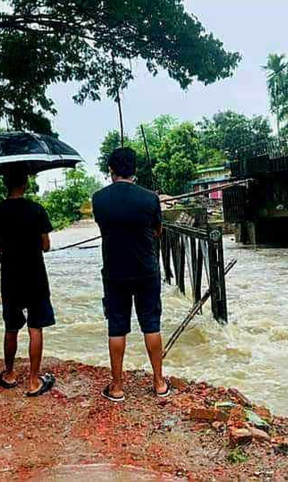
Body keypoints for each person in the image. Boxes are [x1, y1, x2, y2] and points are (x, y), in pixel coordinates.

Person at [92, 147, 170, 402]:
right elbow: (157, 230)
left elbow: (105, 227)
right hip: (146, 270)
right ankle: (159, 383)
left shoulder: (99, 199)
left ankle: (117, 387)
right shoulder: (150, 198)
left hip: (114, 272)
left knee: (116, 327)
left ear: (111, 170)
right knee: (151, 324)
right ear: (135, 170)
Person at [0, 165, 56, 396]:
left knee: (11, 327)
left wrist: (5, 245)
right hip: (35, 275)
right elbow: (46, 245)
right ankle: (34, 381)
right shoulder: (36, 210)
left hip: (11, 276)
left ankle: (11, 373)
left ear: (6, 184)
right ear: (25, 184)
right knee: (36, 328)